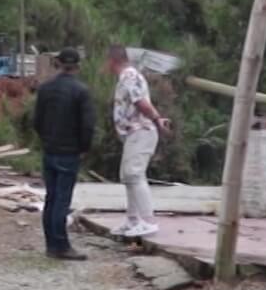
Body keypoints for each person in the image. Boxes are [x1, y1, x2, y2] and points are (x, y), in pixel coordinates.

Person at [31, 48, 94, 261]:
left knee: (51, 197)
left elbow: (37, 121)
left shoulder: (45, 89)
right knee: (62, 200)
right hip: (69, 152)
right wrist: (84, 147)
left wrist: (47, 140)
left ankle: (51, 244)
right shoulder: (81, 91)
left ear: (57, 63)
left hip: (50, 150)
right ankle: (61, 246)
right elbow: (87, 125)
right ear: (77, 66)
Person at [108, 45, 171, 239]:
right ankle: (133, 220)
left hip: (141, 130)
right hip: (132, 133)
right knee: (128, 176)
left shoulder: (129, 75)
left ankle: (148, 221)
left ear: (112, 61)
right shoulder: (127, 76)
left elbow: (140, 102)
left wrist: (157, 119)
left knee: (134, 174)